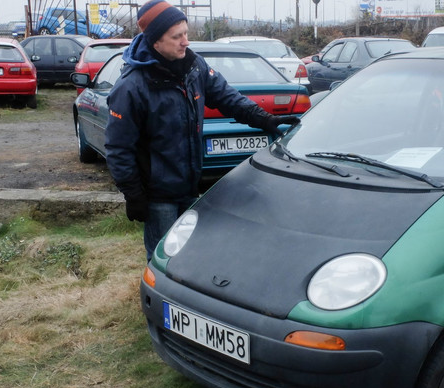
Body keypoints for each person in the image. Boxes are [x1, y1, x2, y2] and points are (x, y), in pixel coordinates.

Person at [104, 0, 298, 261]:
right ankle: (161, 299)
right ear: (155, 43)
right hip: (157, 194)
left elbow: (228, 98)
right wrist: (133, 194)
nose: (185, 41)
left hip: (190, 184)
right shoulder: (131, 87)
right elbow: (118, 148)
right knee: (163, 258)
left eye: (186, 33)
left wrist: (264, 119)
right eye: (176, 37)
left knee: (189, 253)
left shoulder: (195, 67)